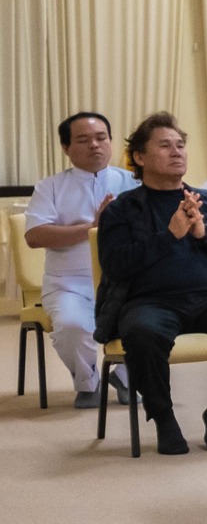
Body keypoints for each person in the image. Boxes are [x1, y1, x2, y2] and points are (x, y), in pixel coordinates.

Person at [93, 113, 207, 455]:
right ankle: (165, 418)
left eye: (180, 145)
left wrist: (204, 233)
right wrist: (169, 236)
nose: (177, 152)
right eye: (165, 145)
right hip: (149, 302)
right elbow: (116, 265)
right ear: (139, 158)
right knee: (142, 332)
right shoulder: (122, 210)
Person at [23, 112, 137, 407]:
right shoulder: (50, 187)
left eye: (101, 138)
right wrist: (92, 228)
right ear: (66, 148)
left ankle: (125, 377)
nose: (95, 146)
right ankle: (87, 383)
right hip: (68, 283)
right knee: (73, 326)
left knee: (145, 321)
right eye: (84, 140)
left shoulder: (134, 183)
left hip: (127, 282)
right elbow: (35, 236)